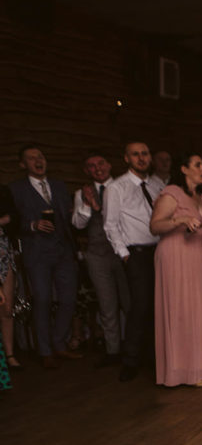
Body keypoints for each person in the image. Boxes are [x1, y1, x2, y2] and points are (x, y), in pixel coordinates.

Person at [149, 153, 202, 387]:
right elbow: (155, 226)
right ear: (184, 169)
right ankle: (184, 371)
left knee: (200, 308)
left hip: (200, 256)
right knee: (182, 309)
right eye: (198, 165)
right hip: (176, 256)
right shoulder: (171, 194)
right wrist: (179, 221)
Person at [9, 145, 81, 369]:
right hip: (37, 252)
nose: (38, 161)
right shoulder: (15, 189)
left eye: (40, 156)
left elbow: (71, 217)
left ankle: (59, 343)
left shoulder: (59, 186)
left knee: (68, 299)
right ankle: (45, 350)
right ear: (23, 165)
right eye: (31, 158)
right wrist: (32, 224)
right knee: (42, 300)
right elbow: (10, 222)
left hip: (63, 251)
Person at [104, 141, 165, 380]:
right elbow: (110, 224)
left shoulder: (158, 184)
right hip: (136, 253)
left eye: (145, 153)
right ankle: (130, 360)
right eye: (135, 154)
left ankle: (154, 357)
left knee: (159, 304)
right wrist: (124, 254)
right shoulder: (117, 188)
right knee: (140, 305)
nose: (141, 158)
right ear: (126, 158)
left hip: (161, 250)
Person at [72, 153, 128, 368]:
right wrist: (86, 205)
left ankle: (135, 347)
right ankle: (113, 351)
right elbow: (78, 224)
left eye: (101, 163)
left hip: (123, 252)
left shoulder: (123, 187)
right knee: (107, 305)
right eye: (91, 166)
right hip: (97, 254)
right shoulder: (81, 193)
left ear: (110, 164)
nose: (97, 169)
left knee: (129, 301)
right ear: (87, 171)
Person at [0, 184, 20, 369]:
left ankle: (10, 355)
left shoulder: (4, 192)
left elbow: (14, 217)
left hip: (4, 255)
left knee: (6, 308)